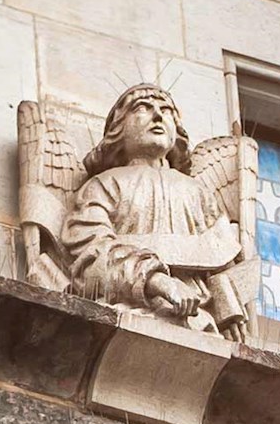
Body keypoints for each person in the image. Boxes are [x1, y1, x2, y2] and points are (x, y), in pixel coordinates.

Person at [59, 84, 248, 338]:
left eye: (166, 110)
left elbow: (221, 257)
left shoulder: (199, 193)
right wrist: (157, 281)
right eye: (143, 108)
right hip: (128, 311)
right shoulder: (104, 184)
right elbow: (91, 254)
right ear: (118, 130)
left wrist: (228, 311)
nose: (158, 116)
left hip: (198, 321)